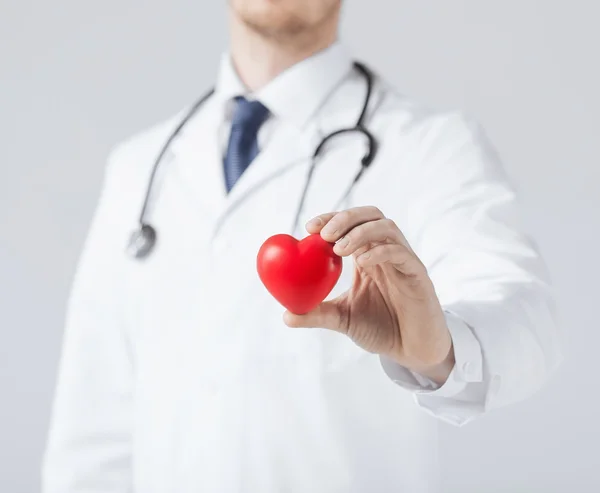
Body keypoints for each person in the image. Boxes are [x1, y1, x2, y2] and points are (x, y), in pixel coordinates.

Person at [42, 1, 562, 492]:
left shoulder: (433, 146)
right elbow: (92, 428)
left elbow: (525, 316)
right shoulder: (140, 167)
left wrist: (442, 348)